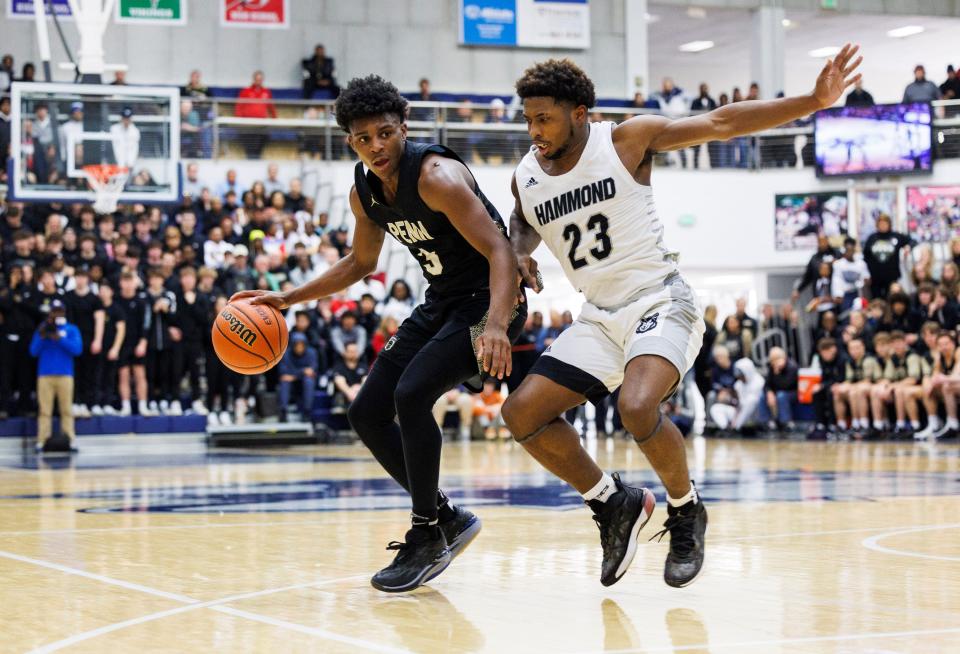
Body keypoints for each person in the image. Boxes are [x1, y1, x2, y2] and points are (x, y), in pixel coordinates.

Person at [502, 48, 863, 588]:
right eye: (528, 119)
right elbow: (522, 222)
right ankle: (611, 502)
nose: (534, 130)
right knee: (520, 414)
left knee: (637, 405)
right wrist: (518, 251)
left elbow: (721, 122)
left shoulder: (625, 140)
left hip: (659, 300)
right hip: (598, 316)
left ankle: (685, 508)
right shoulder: (527, 174)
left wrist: (812, 101)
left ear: (579, 113)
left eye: (544, 118)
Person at [231, 74, 525, 593]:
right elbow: (360, 263)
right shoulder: (364, 192)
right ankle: (446, 517)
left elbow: (501, 250)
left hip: (492, 301)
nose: (376, 146)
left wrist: (498, 325)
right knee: (366, 411)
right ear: (350, 140)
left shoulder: (435, 177)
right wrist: (286, 298)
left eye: (385, 133)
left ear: (403, 128)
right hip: (443, 302)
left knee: (412, 396)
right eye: (364, 138)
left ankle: (427, 532)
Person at [29, 300, 82, 452]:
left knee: (66, 409)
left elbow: (77, 350)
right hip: (45, 375)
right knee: (45, 410)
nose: (57, 314)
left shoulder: (71, 329)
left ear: (64, 312)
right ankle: (42, 440)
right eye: (54, 311)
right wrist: (42, 336)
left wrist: (60, 339)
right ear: (50, 313)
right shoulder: (42, 329)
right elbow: (33, 351)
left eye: (60, 311)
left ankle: (70, 439)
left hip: (65, 374)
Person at [861, 214, 911, 299]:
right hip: (875, 278)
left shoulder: (896, 236)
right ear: (877, 225)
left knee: (892, 298)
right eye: (881, 223)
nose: (883, 225)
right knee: (876, 300)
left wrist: (908, 246)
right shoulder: (872, 238)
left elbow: (911, 241)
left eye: (885, 223)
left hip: (892, 276)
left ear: (889, 224)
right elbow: (865, 257)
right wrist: (866, 274)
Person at [278, 332, 319, 421]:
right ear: (293, 345)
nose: (299, 347)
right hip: (291, 384)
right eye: (297, 344)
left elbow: (312, 371)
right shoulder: (286, 354)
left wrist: (294, 375)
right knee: (284, 381)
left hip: (304, 382)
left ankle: (307, 412)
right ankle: (283, 412)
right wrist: (303, 371)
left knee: (309, 380)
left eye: (302, 344)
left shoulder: (312, 352)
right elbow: (283, 372)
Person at [235, 71, 277, 158]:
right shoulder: (246, 91)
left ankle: (257, 159)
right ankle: (251, 160)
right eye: (257, 79)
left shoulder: (266, 92)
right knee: (250, 146)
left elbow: (271, 107)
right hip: (248, 125)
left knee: (261, 143)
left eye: (260, 79)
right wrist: (239, 120)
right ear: (253, 79)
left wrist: (275, 118)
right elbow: (239, 106)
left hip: (261, 125)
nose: (259, 81)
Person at [764, 347, 798, 432]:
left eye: (776, 359)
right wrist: (769, 392)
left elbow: (785, 386)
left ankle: (785, 422)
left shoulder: (792, 367)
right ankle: (766, 422)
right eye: (772, 360)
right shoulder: (772, 367)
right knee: (762, 396)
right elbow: (766, 385)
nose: (774, 362)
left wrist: (777, 374)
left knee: (781, 395)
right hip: (778, 392)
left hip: (792, 393)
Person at [331, 341, 367, 411]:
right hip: (344, 395)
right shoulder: (338, 367)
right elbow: (338, 381)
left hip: (360, 394)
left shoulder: (363, 366)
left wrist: (358, 390)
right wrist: (350, 392)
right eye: (350, 351)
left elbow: (366, 380)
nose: (353, 353)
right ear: (345, 352)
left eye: (355, 351)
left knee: (366, 379)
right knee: (339, 380)